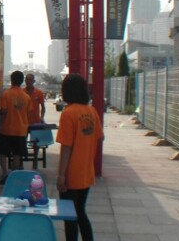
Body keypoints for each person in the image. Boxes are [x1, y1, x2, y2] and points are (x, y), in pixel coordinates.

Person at [57, 74, 103, 241]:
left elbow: (66, 146)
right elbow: (100, 137)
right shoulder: (92, 112)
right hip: (86, 172)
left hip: (71, 174)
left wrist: (61, 175)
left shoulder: (68, 113)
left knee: (69, 216)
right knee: (81, 211)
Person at [0, 70, 32, 182]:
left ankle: (4, 173)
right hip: (21, 130)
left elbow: (3, 111)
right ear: (22, 81)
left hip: (6, 129)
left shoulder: (6, 94)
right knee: (17, 153)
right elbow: (28, 113)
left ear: (11, 80)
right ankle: (13, 175)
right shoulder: (27, 97)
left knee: (2, 152)